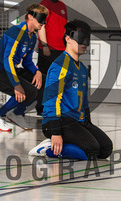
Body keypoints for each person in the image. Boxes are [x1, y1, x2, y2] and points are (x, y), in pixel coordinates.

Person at [28, 20, 113, 161]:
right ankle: (49, 148)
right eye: (81, 38)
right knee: (91, 150)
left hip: (77, 120)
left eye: (87, 38)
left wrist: (88, 124)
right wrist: (55, 132)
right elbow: (51, 100)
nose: (85, 43)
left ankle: (70, 142)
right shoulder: (61, 65)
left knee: (105, 148)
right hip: (58, 121)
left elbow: (83, 101)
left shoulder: (82, 69)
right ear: (68, 38)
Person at [0, 4, 48, 131]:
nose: (43, 23)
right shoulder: (17, 32)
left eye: (44, 19)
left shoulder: (33, 36)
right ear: (30, 17)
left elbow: (27, 61)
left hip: (9, 68)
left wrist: (37, 72)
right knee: (29, 91)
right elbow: (8, 59)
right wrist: (16, 85)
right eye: (41, 19)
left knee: (44, 81)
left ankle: (16, 114)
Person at [36, 0, 68, 116]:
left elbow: (64, 28)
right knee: (44, 79)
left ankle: (55, 105)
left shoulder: (62, 6)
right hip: (47, 50)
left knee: (58, 79)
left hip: (61, 49)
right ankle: (41, 108)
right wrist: (45, 46)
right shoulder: (43, 5)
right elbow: (41, 27)